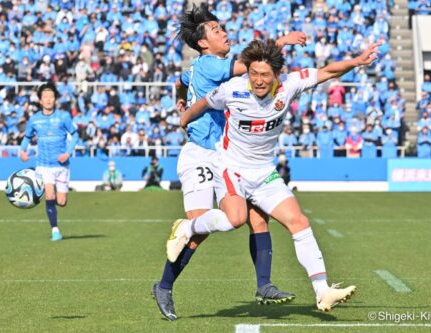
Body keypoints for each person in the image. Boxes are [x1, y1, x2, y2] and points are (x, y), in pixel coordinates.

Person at [171, 38, 381, 312]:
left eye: (264, 75)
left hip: (264, 173)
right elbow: (204, 103)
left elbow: (327, 72)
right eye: (253, 74)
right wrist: (185, 117)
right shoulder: (232, 89)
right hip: (231, 169)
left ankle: (322, 291)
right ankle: (187, 227)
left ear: (277, 76)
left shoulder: (290, 86)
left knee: (299, 222)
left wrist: (356, 61)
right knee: (236, 219)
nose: (258, 81)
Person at [152, 3, 306, 321]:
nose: (223, 31)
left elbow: (180, 80)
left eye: (222, 26)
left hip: (226, 155)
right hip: (200, 154)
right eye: (216, 29)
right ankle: (164, 285)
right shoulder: (211, 63)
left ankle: (264, 285)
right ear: (202, 42)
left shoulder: (200, 65)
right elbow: (250, 67)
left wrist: (180, 98)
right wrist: (282, 41)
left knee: (257, 216)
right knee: (200, 228)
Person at [19, 82, 79, 241]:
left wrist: (67, 153)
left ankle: (58, 202)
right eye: (45, 97)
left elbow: (76, 135)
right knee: (49, 195)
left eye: (51, 97)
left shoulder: (64, 117)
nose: (48, 99)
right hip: (43, 165)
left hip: (61, 166)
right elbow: (26, 137)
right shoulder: (34, 119)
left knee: (61, 201)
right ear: (40, 100)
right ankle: (55, 231)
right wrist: (22, 151)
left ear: (55, 99)